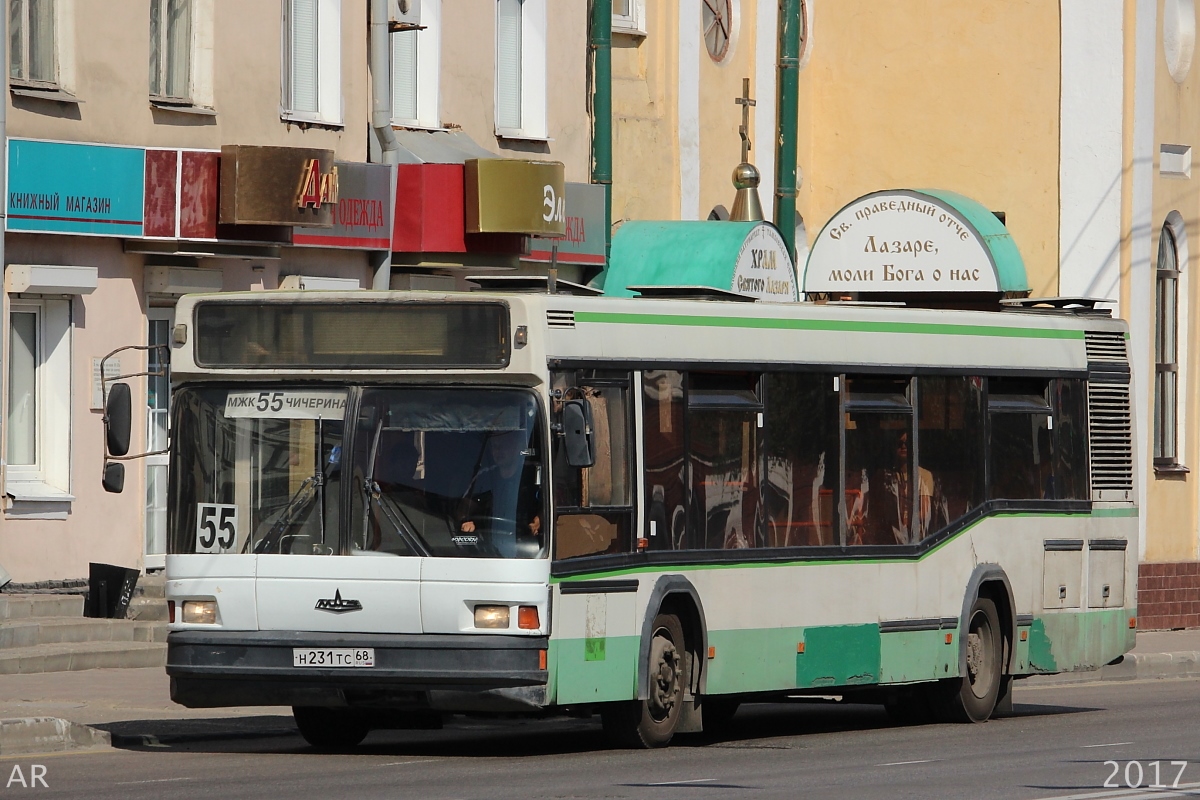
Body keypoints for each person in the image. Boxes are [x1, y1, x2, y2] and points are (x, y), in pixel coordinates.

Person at [458, 429, 542, 556]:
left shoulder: (534, 477)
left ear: (517, 446)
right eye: (496, 447)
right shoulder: (483, 478)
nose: (499, 452)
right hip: (486, 549)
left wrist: (539, 520)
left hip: (525, 548)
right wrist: (465, 521)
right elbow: (463, 510)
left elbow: (549, 507)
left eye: (504, 447)